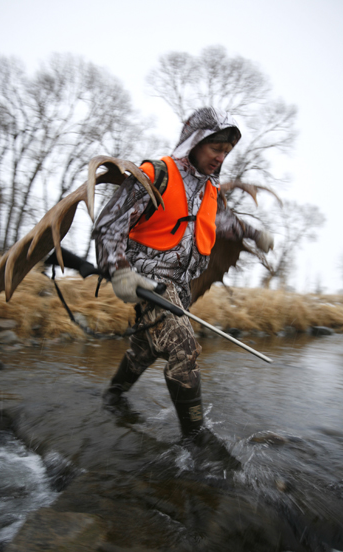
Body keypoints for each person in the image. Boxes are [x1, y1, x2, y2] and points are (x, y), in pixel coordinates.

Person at [92, 107, 273, 452]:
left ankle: (113, 397)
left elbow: (224, 222)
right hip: (148, 280)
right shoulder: (155, 174)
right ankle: (196, 442)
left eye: (226, 152)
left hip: (182, 285)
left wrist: (253, 233)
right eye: (215, 149)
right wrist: (119, 271)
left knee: (145, 348)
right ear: (195, 142)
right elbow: (108, 224)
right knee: (184, 349)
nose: (220, 158)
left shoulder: (210, 189)